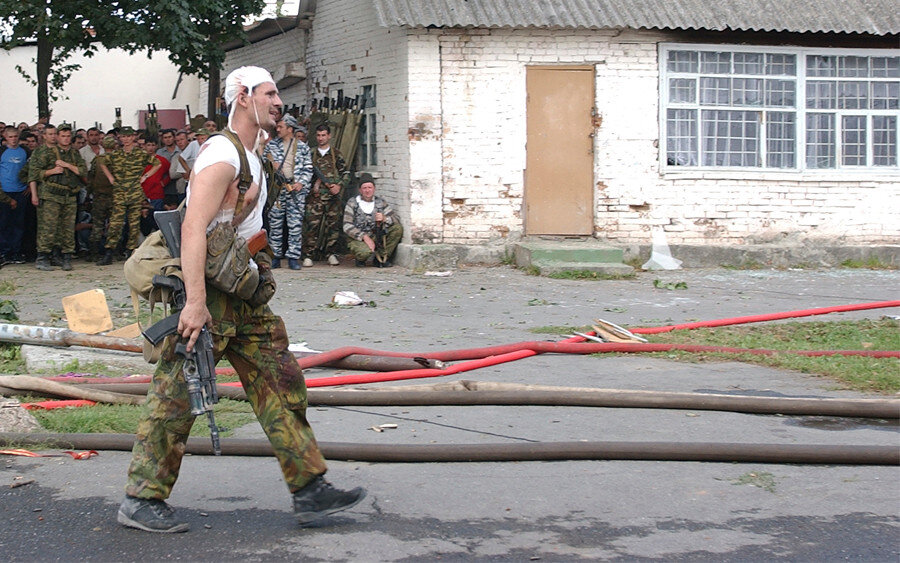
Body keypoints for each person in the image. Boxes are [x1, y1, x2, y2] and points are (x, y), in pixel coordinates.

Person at [117, 66, 366, 534]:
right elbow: (192, 226)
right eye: (270, 94)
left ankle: (309, 487)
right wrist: (194, 303)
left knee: (281, 380)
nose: (278, 102)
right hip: (209, 295)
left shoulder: (253, 154)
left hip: (245, 295)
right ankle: (141, 498)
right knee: (176, 395)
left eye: (278, 94)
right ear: (244, 97)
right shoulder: (222, 155)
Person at [96, 126, 160, 265]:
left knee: (134, 224)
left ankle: (131, 251)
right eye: (123, 137)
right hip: (119, 192)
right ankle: (109, 251)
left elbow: (157, 164)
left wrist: (145, 176)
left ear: (133, 137)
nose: (125, 139)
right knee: (115, 223)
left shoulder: (140, 154)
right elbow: (101, 162)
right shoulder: (116, 154)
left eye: (128, 136)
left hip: (135, 192)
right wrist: (110, 177)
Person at [28, 124, 86, 271]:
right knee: (48, 227)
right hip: (50, 194)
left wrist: (66, 165)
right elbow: (34, 174)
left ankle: (64, 256)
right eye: (62, 136)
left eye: (68, 136)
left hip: (69, 195)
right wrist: (51, 171)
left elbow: (82, 171)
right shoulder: (44, 152)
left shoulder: (74, 154)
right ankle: (42, 257)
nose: (65, 139)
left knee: (67, 228)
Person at [264, 114, 312, 270]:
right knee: (275, 223)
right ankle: (275, 256)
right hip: (278, 190)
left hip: (295, 190)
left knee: (295, 224)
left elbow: (308, 168)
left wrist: (301, 183)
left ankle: (293, 257)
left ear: (290, 129)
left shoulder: (302, 147)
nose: (278, 129)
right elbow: (263, 163)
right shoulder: (272, 146)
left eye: (281, 127)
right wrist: (272, 166)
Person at [302, 124, 348, 267]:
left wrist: (339, 185)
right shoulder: (310, 154)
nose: (321, 138)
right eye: (318, 135)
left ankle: (331, 254)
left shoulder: (336, 154)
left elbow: (345, 173)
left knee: (333, 227)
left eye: (323, 135)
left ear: (329, 136)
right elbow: (304, 173)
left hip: (332, 198)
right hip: (315, 198)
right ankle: (308, 255)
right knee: (311, 227)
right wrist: (314, 184)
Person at [343, 173, 403, 267]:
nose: (367, 191)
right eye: (364, 188)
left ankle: (381, 258)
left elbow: (396, 219)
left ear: (374, 189)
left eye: (370, 187)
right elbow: (347, 225)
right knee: (364, 252)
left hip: (376, 235)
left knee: (397, 228)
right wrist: (364, 237)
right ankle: (360, 259)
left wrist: (385, 219)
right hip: (359, 239)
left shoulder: (380, 202)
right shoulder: (352, 203)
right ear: (360, 190)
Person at [0, 126, 31, 264]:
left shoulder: (25, 151)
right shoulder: (2, 152)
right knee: (4, 223)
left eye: (15, 137)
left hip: (21, 191)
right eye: (10, 137)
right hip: (5, 191)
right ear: (5, 137)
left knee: (19, 223)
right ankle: (4, 252)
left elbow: (33, 169)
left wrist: (30, 185)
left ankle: (16, 252)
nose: (13, 140)